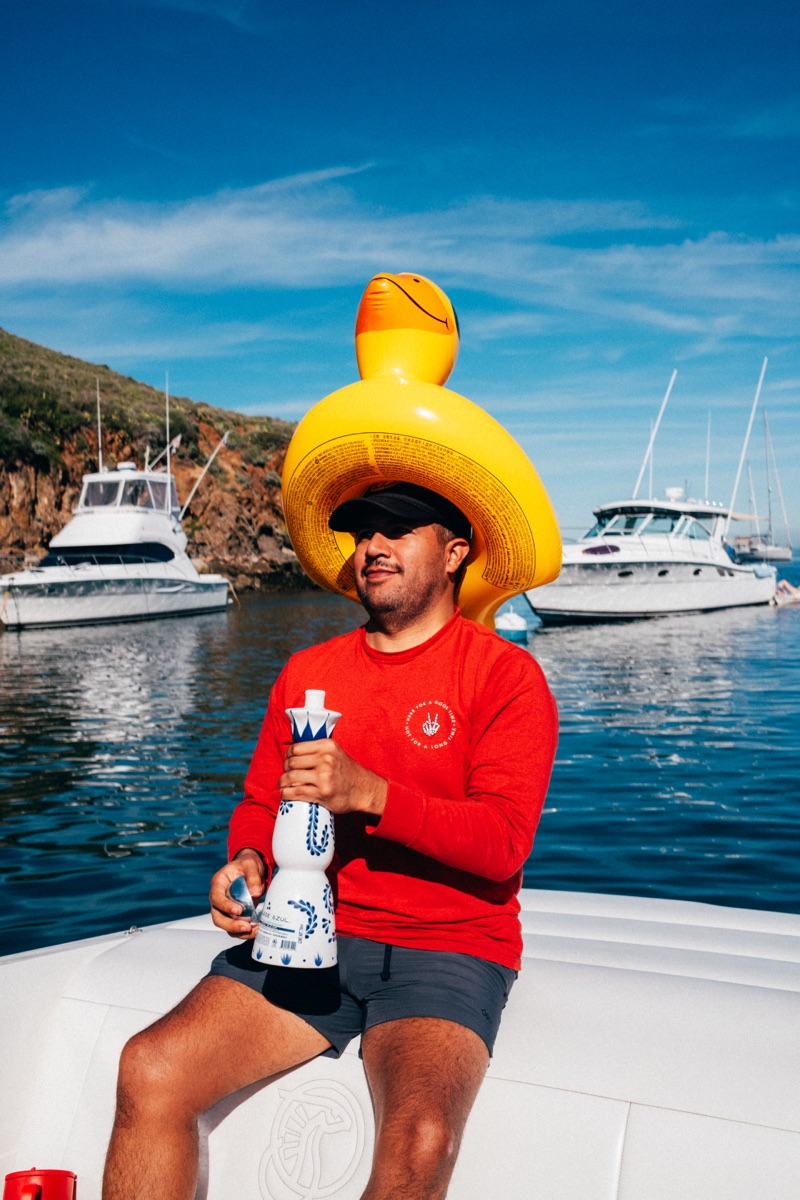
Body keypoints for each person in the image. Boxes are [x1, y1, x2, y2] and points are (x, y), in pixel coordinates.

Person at [102, 482, 558, 1200]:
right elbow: (261, 800)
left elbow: (503, 841)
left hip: (448, 947)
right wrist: (249, 858)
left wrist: (370, 794)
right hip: (307, 935)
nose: (373, 548)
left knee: (420, 1141)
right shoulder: (308, 673)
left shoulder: (506, 677)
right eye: (363, 533)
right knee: (150, 1068)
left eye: (400, 530)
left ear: (454, 553)